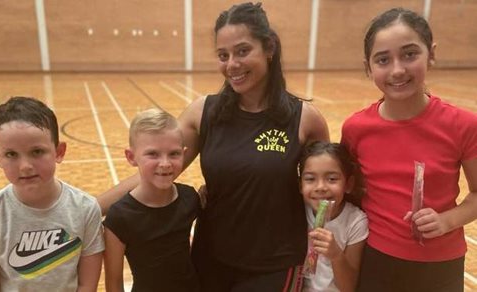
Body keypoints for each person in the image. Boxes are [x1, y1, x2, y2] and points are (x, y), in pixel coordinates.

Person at [97, 2, 329, 291]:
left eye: (243, 51)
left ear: (269, 48)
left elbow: (327, 189)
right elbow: (154, 170)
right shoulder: (203, 113)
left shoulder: (305, 119)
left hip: (274, 263)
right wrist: (87, 209)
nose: (232, 64)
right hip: (211, 260)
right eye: (223, 55)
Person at [341, 7, 477, 292]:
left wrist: (446, 220)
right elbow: (352, 194)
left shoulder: (464, 125)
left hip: (441, 264)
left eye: (410, 54)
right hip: (376, 260)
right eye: (383, 60)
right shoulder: (355, 129)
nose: (397, 70)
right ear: (368, 67)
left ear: (432, 54)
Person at [0, 96, 105, 292]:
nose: (25, 166)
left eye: (37, 151)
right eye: (11, 154)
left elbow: (87, 285)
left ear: (59, 151)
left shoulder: (86, 209)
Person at [103, 108, 201, 292]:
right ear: (131, 157)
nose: (165, 163)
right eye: (153, 154)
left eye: (173, 154)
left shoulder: (190, 198)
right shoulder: (119, 217)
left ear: (184, 153)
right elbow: (114, 282)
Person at [299, 141, 368, 292]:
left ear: (348, 184)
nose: (321, 187)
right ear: (300, 185)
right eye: (310, 179)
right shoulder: (297, 212)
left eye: (332, 179)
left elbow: (348, 287)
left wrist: (335, 254)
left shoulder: (356, 222)